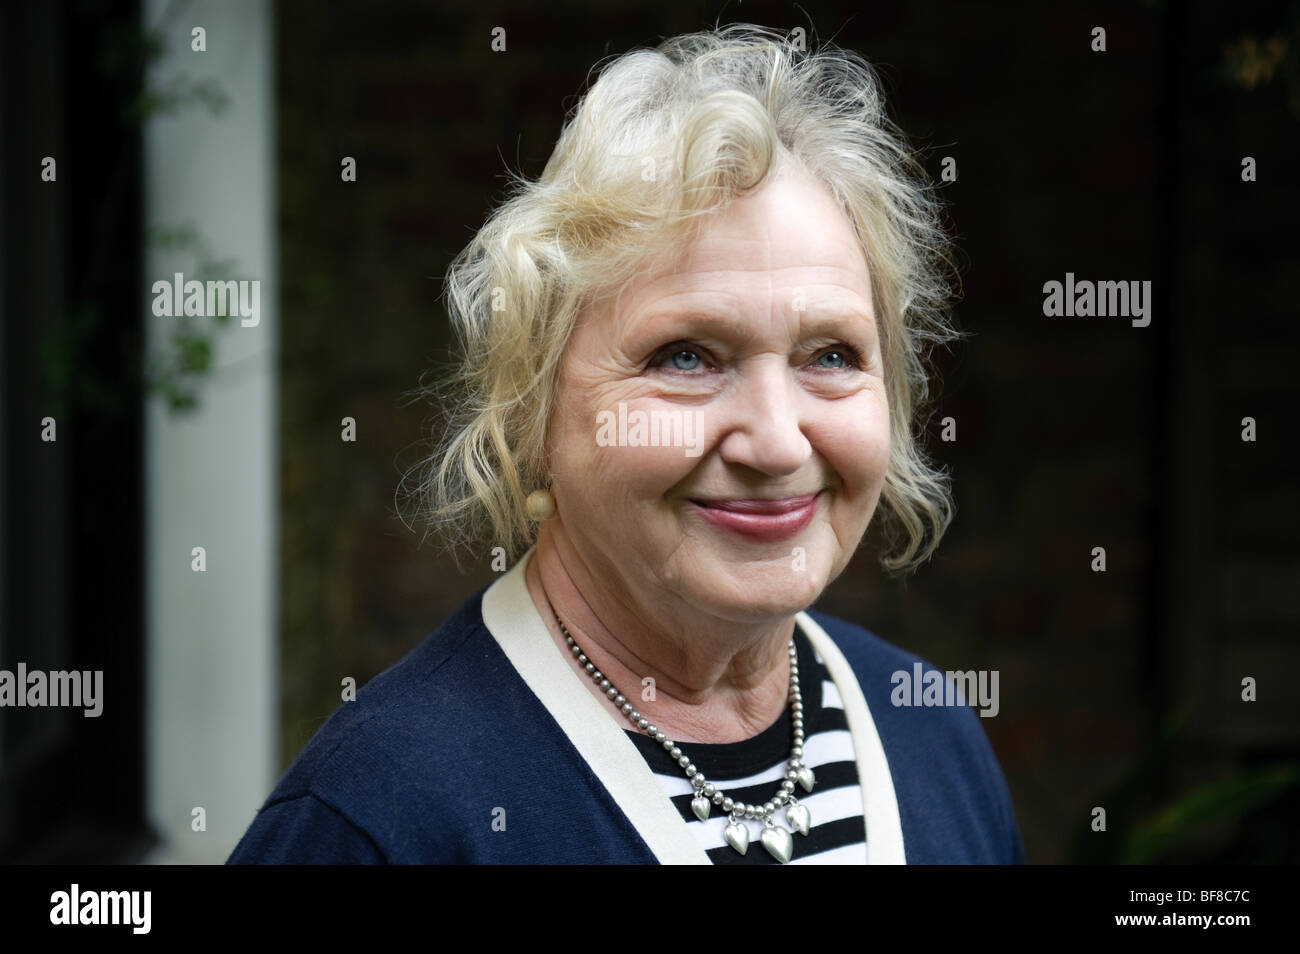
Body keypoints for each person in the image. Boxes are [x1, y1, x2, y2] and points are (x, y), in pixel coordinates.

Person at [228, 22, 1024, 864]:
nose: (777, 442)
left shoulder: (928, 731)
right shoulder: (381, 820)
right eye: (685, 357)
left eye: (832, 356)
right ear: (533, 406)